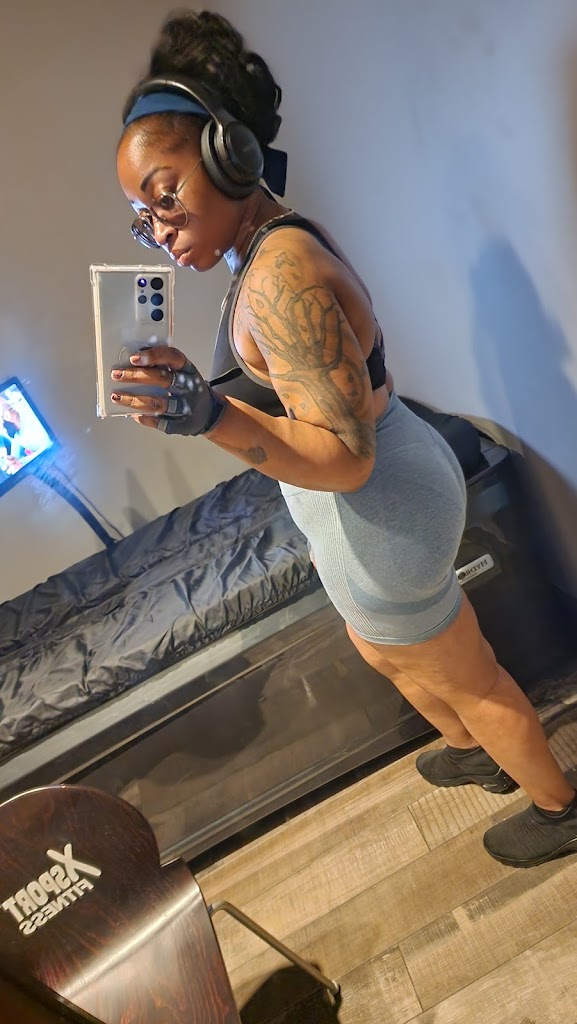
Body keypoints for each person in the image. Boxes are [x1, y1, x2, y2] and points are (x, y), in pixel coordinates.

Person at [113, 9, 577, 869]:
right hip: (361, 513)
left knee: (467, 673)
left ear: (229, 156)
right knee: (385, 650)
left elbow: (348, 457)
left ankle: (558, 804)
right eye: (142, 215)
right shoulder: (254, 255)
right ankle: (474, 750)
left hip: (380, 504)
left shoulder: (281, 275)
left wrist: (208, 415)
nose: (158, 227)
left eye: (164, 195)